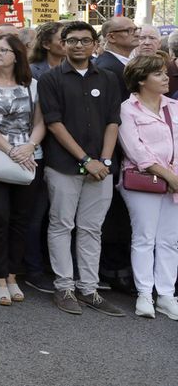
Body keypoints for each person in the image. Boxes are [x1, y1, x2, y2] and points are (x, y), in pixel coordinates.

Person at [38, 21, 125, 317]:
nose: (78, 45)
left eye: (84, 40)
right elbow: (54, 123)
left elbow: (114, 121)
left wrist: (104, 160)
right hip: (63, 166)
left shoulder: (110, 78)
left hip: (102, 167)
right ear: (63, 43)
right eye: (72, 40)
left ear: (94, 44)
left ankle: (89, 289)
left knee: (91, 229)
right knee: (62, 225)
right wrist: (86, 160)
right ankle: (64, 287)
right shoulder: (50, 79)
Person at [0, 34, 45, 305]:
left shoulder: (33, 85)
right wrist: (10, 149)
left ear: (17, 55)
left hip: (29, 158)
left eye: (3, 50)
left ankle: (13, 274)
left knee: (20, 220)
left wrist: (29, 146)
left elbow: (41, 122)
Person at [117, 54, 178, 319]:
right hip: (143, 181)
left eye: (165, 73)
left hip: (175, 180)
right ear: (141, 80)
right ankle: (144, 293)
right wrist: (169, 176)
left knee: (170, 240)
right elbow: (136, 151)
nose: (166, 77)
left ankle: (166, 295)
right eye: (158, 74)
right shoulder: (127, 109)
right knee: (144, 237)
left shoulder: (173, 107)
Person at [95, 16, 139, 295]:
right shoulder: (108, 68)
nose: (135, 34)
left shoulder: (123, 65)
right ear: (111, 36)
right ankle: (113, 269)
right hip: (115, 150)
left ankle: (118, 267)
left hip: (126, 150)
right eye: (129, 30)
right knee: (113, 215)